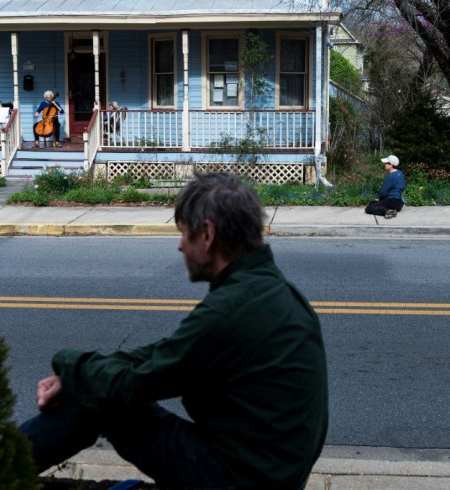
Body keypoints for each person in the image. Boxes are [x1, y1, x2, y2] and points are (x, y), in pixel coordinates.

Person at [20, 172, 329, 489]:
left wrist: (71, 368)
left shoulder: (231, 309)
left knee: (100, 398)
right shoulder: (275, 291)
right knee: (97, 382)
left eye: (184, 233)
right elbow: (164, 353)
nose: (180, 246)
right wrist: (82, 371)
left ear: (207, 235)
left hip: (240, 478)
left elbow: (140, 381)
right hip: (271, 471)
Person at [365, 155, 406, 219]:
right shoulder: (400, 173)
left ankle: (387, 211)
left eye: (386, 163)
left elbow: (383, 193)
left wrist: (380, 199)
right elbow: (402, 187)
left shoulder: (390, 176)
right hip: (399, 203)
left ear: (391, 165)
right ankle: (392, 210)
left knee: (369, 208)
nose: (384, 164)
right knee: (373, 202)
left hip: (391, 201)